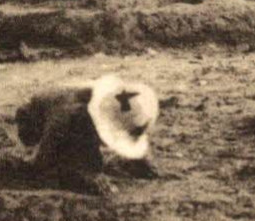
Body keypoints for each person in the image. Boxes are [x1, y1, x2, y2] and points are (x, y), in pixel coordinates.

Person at [14, 75, 159, 196]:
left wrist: (141, 159)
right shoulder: (67, 116)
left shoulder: (110, 99)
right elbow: (41, 162)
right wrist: (87, 175)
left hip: (72, 112)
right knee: (74, 165)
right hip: (34, 118)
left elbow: (131, 120)